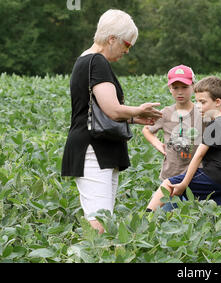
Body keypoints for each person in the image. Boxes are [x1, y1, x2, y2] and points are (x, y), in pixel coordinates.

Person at [61, 9, 162, 234]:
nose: (127, 51)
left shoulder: (87, 60)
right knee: (100, 225)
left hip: (100, 150)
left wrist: (136, 118)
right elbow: (112, 110)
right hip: (93, 150)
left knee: (104, 220)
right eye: (127, 44)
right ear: (112, 39)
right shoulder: (96, 61)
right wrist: (138, 109)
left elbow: (99, 110)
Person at [146, 76, 221, 212]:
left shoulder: (214, 125)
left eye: (202, 102)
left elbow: (199, 155)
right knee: (216, 218)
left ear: (217, 102)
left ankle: (145, 219)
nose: (199, 106)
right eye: (197, 102)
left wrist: (184, 184)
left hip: (213, 177)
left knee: (168, 184)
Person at [142, 65, 204, 190]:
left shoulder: (202, 112)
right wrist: (157, 143)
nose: (180, 92)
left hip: (197, 174)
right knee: (168, 208)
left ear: (193, 86)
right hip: (170, 175)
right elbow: (147, 129)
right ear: (170, 88)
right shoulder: (166, 113)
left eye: (185, 87)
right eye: (175, 88)